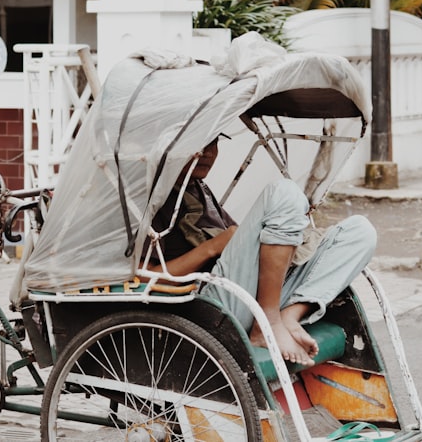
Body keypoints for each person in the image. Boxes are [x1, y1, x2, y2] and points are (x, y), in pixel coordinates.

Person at [149, 137, 377, 366]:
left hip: (250, 293)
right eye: (199, 141)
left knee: (360, 231)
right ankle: (266, 322)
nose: (207, 153)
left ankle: (290, 314)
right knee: (284, 192)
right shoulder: (149, 197)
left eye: (213, 143)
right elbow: (143, 278)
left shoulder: (199, 188)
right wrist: (212, 247)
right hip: (210, 306)